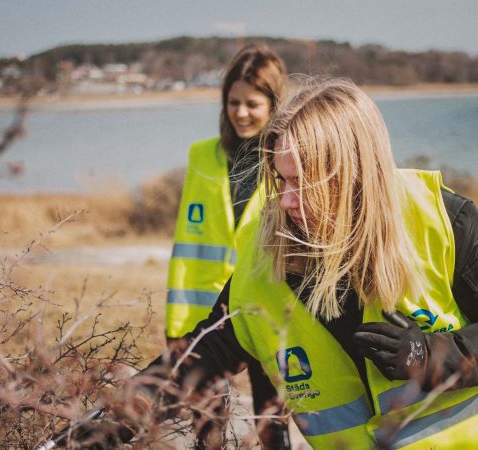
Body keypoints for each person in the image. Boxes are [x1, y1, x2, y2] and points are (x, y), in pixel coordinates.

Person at [79, 79, 478, 449]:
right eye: (280, 180)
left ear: (355, 173)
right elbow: (199, 359)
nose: (285, 202)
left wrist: (433, 358)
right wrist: (105, 425)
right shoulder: (265, 266)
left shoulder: (442, 219)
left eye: (303, 182)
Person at [165, 43, 289, 448]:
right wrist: (177, 326)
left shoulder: (286, 162)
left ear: (274, 104)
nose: (240, 112)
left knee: (274, 424)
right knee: (207, 430)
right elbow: (188, 247)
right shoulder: (201, 156)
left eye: (251, 103)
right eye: (232, 102)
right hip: (208, 315)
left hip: (267, 308)